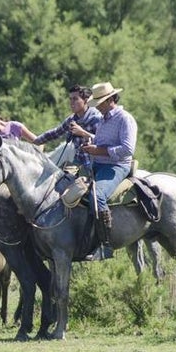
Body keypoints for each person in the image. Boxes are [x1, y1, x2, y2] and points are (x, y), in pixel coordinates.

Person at [71, 81, 137, 259]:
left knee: (96, 196)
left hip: (116, 166)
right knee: (68, 188)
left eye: (99, 103)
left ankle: (105, 245)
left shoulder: (125, 119)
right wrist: (90, 142)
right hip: (98, 164)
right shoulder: (103, 119)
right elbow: (101, 142)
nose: (97, 107)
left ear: (110, 100)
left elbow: (127, 149)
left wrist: (98, 150)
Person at [31, 84, 102, 165]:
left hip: (95, 164)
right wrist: (35, 143)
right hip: (78, 163)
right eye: (70, 99)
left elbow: (102, 142)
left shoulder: (96, 118)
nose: (71, 103)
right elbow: (55, 133)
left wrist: (82, 133)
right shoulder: (72, 120)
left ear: (86, 100)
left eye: (75, 99)